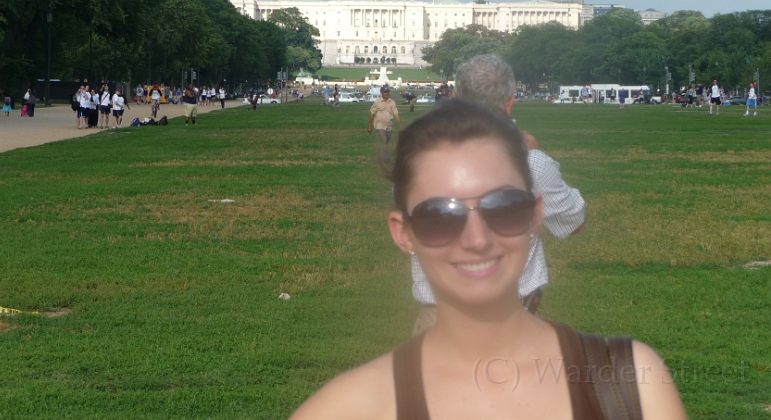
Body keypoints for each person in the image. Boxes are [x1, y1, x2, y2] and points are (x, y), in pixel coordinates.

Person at [290, 99, 687, 420]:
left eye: (504, 208)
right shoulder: (350, 408)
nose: (477, 240)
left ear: (535, 214)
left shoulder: (631, 382)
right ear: (403, 233)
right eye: (440, 216)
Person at [410, 54, 583, 331]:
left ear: (454, 98)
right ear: (510, 102)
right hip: (514, 318)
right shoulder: (532, 163)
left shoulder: (418, 162)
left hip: (438, 321)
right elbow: (574, 221)